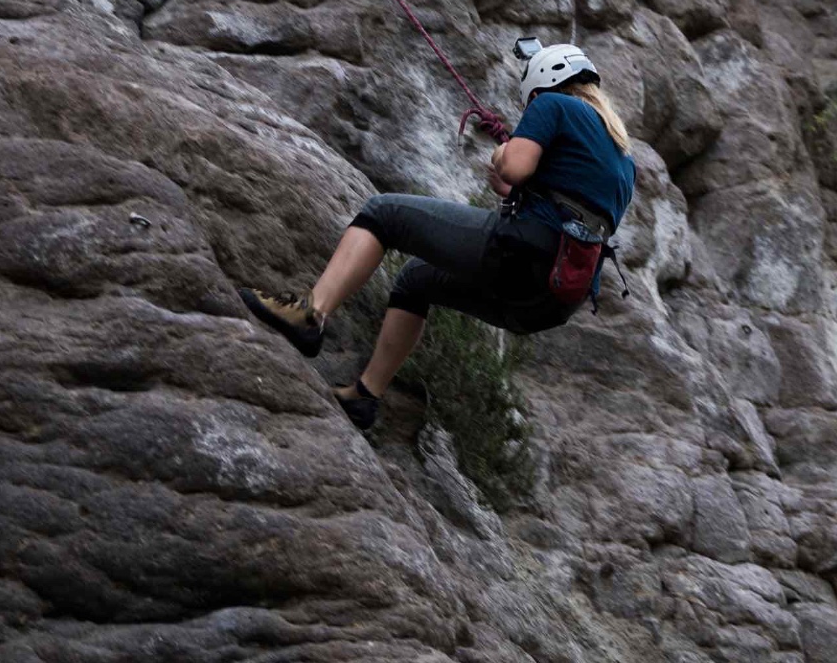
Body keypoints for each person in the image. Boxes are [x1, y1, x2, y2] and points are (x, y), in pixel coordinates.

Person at [239, 41, 636, 430]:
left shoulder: (552, 105)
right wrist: (515, 186)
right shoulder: (622, 158)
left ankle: (312, 313)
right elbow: (565, 205)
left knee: (385, 212)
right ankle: (365, 395)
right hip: (551, 299)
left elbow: (514, 167)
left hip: (526, 254)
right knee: (416, 280)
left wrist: (504, 153)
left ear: (541, 83)